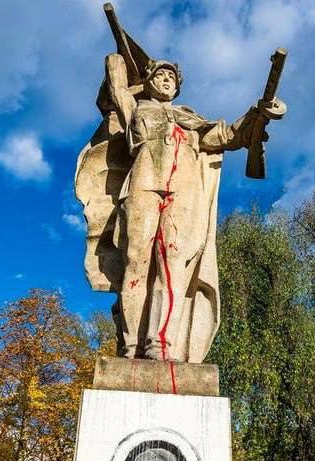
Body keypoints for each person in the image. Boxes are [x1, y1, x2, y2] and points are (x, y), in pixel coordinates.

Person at [76, 54, 286, 362]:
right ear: (148, 81)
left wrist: (259, 112)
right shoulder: (134, 109)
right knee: (136, 261)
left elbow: (230, 136)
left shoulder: (190, 119)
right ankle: (131, 344)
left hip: (184, 191)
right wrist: (132, 75)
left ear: (178, 88)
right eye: (160, 76)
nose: (166, 81)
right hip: (143, 184)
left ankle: (159, 342)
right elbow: (114, 71)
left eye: (172, 78)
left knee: (172, 263)